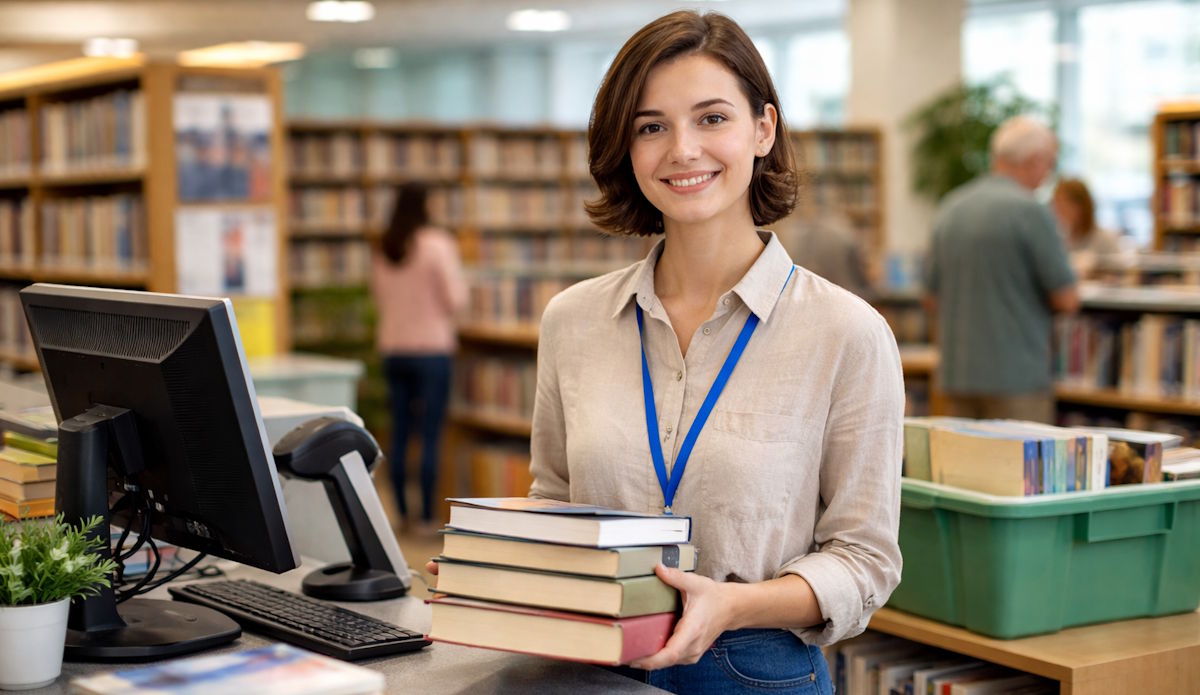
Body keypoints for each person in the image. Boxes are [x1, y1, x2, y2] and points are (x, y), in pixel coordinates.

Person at [470, 11, 902, 693]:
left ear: (763, 129)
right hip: (589, 660)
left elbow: (865, 560)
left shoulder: (848, 333)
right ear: (626, 147)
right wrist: (500, 565)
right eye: (651, 126)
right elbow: (552, 496)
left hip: (753, 665)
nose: (682, 149)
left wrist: (733, 603)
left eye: (711, 118)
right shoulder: (572, 321)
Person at [925, 116, 1079, 424]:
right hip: (1017, 379)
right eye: (1049, 163)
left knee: (960, 470)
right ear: (1034, 161)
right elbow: (1066, 299)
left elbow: (931, 298)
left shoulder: (951, 207)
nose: (1047, 173)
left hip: (957, 375)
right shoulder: (1031, 212)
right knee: (1022, 471)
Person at [370, 183, 466, 532]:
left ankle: (401, 513)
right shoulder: (438, 244)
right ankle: (426, 516)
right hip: (432, 350)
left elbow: (377, 295)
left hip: (394, 349)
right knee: (429, 434)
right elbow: (455, 299)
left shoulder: (385, 246)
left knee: (398, 433)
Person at [1051, 177, 1122, 280]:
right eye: (1057, 205)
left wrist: (1093, 273)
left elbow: (1118, 275)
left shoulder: (1105, 238)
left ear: (1082, 206)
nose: (1059, 212)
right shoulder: (1059, 239)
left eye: (1065, 205)